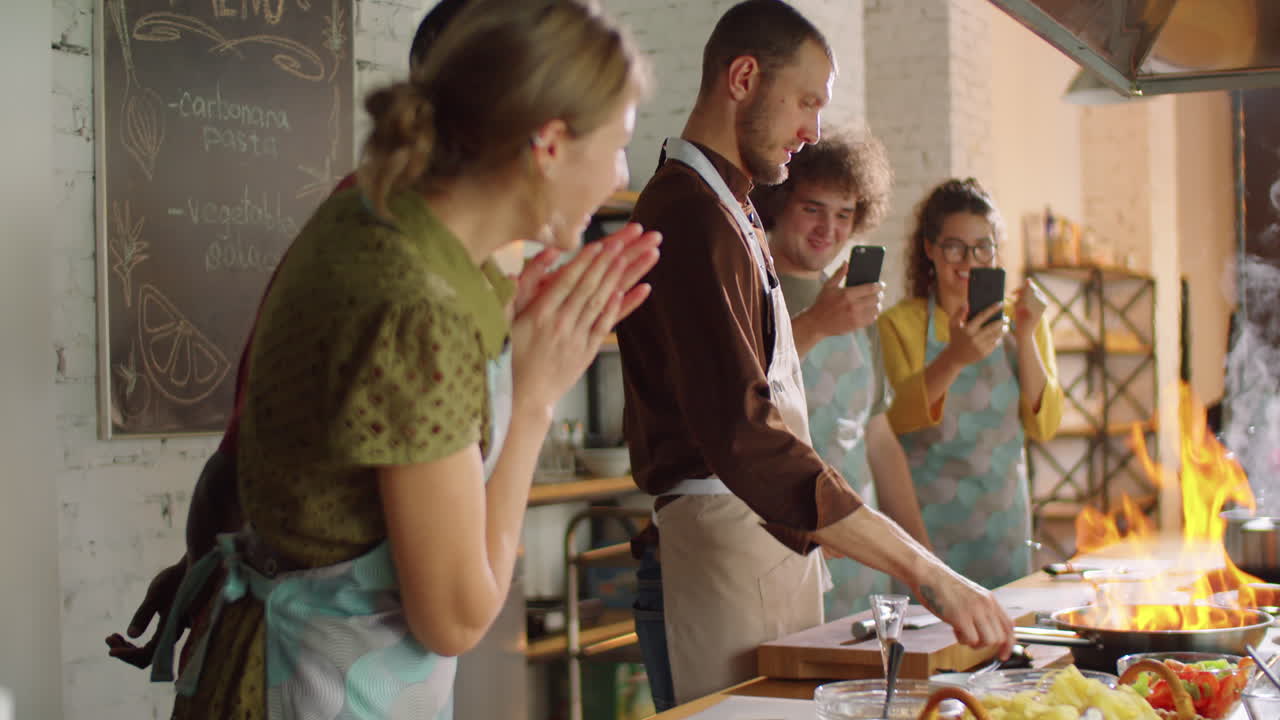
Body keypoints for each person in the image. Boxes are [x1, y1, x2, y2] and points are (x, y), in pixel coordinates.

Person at [137, 2, 661, 718]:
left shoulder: (384, 220)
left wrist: (511, 322)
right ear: (549, 143)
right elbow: (453, 619)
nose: (620, 174)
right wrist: (536, 397)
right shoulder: (419, 305)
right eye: (619, 143)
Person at [617, 0, 1013, 706]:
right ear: (742, 77)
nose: (812, 129)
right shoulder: (690, 213)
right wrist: (926, 570)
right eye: (805, 102)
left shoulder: (729, 207)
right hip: (726, 542)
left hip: (768, 543)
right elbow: (744, 436)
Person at [105, 0, 475, 671]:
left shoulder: (456, 248)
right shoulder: (380, 242)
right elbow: (254, 431)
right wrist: (203, 562)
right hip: (326, 662)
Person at [751, 129, 933, 620]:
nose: (827, 228)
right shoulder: (751, 289)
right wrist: (816, 323)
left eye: (844, 214)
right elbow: (745, 395)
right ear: (779, 202)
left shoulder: (858, 309)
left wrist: (924, 560)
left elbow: (878, 438)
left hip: (861, 551)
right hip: (781, 544)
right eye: (813, 208)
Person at [878, 178, 1062, 590]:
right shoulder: (899, 325)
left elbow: (1044, 426)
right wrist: (954, 358)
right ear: (929, 249)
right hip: (925, 537)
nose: (969, 260)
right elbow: (893, 424)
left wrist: (1029, 336)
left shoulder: (1024, 321)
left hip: (1004, 534)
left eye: (983, 247)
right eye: (955, 247)